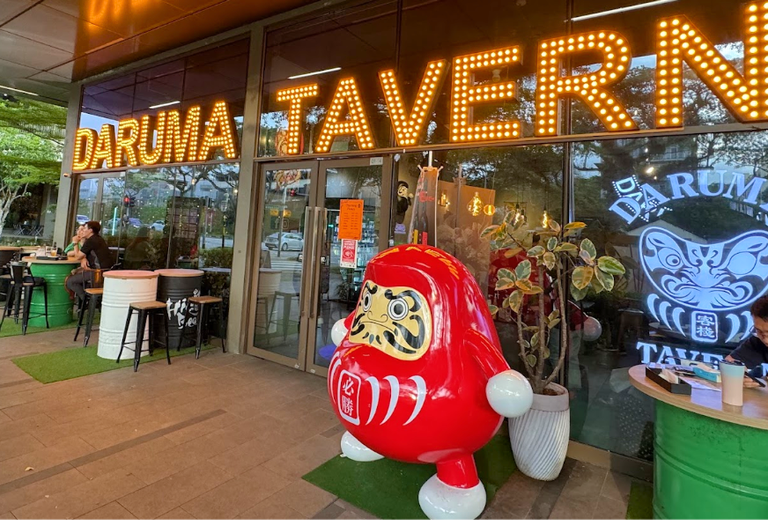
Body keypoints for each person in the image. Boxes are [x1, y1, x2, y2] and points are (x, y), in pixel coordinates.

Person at [65, 221, 115, 301]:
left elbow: (78, 256)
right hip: (105, 270)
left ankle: (85, 300)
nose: (83, 230)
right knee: (76, 273)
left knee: (70, 281)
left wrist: (75, 243)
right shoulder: (98, 239)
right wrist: (83, 258)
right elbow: (83, 254)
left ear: (90, 230)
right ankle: (85, 300)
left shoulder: (91, 241)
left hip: (98, 272)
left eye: (85, 228)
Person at [727, 296, 768, 377]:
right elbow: (729, 363)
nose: (766, 340)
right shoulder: (757, 341)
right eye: (759, 331)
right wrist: (740, 375)